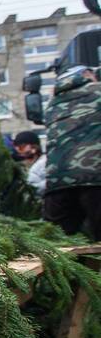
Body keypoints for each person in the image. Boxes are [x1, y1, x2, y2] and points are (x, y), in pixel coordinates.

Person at [43, 66, 100, 239]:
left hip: (57, 181)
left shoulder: (52, 104)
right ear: (87, 75)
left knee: (60, 245)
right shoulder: (98, 90)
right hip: (96, 177)